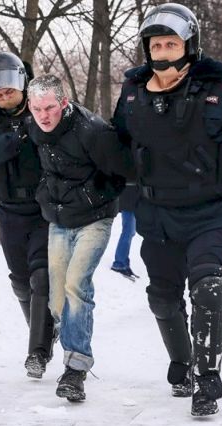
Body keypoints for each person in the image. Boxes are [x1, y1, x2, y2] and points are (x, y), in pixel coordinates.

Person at [112, 3, 222, 416]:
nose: (163, 52)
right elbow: (117, 148)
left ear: (189, 46)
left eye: (171, 44)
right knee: (162, 298)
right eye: (156, 45)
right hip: (158, 213)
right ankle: (183, 363)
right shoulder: (133, 93)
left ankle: (207, 380)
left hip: (212, 211)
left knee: (208, 288)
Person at [26, 74, 132, 402]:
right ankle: (68, 331)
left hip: (95, 219)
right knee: (57, 299)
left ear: (63, 102)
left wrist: (93, 195)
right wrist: (45, 196)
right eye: (36, 109)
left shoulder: (92, 131)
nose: (43, 116)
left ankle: (75, 369)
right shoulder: (34, 129)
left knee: (76, 285)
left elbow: (125, 170)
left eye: (49, 108)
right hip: (59, 221)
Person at [0, 51, 56, 380]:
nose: (3, 94)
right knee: (20, 281)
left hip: (45, 209)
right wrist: (20, 134)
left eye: (9, 87)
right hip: (9, 211)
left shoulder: (43, 108)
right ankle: (44, 332)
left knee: (41, 276)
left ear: (23, 83)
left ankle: (38, 352)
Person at [110, 185, 140, 281]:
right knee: (128, 231)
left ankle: (125, 264)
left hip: (132, 200)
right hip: (128, 201)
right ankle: (118, 264)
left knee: (130, 232)